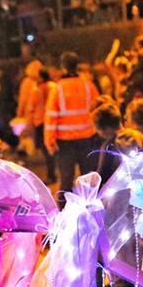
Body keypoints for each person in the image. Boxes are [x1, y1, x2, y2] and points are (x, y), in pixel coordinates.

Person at [44, 52, 100, 208]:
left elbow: (51, 117)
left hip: (65, 142)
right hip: (87, 138)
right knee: (88, 179)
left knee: (66, 180)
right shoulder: (88, 86)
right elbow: (98, 108)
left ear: (62, 67)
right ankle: (91, 209)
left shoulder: (58, 89)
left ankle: (63, 213)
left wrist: (49, 140)